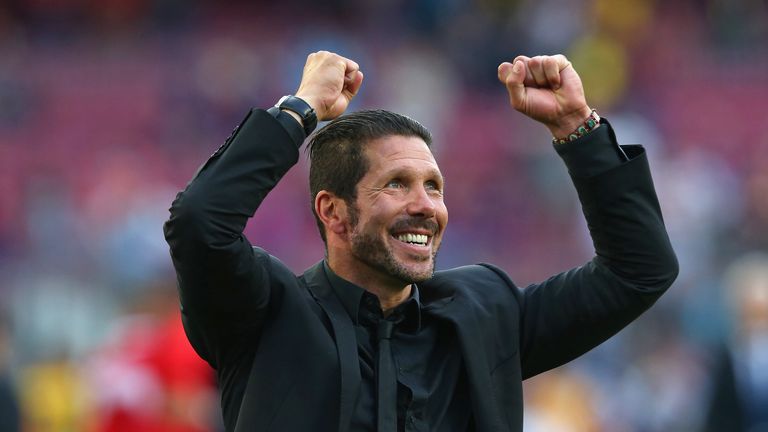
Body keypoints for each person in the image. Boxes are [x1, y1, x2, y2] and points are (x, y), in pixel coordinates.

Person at [164, 51, 678, 432]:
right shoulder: (264, 313)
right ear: (333, 211)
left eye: (434, 186)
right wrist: (299, 111)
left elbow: (639, 271)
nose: (426, 206)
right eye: (397, 184)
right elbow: (199, 223)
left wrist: (576, 128)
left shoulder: (483, 314)